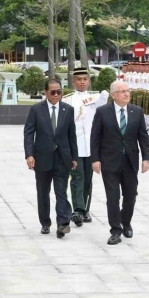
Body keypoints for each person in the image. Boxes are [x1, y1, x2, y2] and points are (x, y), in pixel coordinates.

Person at [91, 80, 149, 245]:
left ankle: (126, 222)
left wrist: (146, 158)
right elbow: (95, 137)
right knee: (112, 197)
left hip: (130, 161)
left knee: (130, 196)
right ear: (113, 95)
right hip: (109, 161)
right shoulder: (103, 112)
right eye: (122, 91)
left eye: (128, 91)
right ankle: (115, 230)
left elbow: (143, 137)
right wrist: (95, 159)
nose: (126, 94)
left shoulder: (136, 111)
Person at [24, 78, 78, 238]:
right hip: (42, 157)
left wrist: (74, 156)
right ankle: (45, 223)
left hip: (62, 157)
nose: (56, 95)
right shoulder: (36, 109)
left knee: (61, 191)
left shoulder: (68, 110)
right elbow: (28, 133)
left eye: (59, 92)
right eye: (53, 92)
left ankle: (63, 223)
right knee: (43, 192)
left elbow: (71, 135)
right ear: (45, 92)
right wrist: (29, 154)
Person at [64, 67, 108, 226]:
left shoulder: (96, 97)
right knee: (77, 177)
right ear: (73, 81)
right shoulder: (67, 100)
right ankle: (78, 210)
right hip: (75, 145)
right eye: (79, 79)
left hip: (91, 146)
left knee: (88, 179)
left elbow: (103, 108)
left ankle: (85, 209)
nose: (82, 82)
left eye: (85, 79)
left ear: (88, 80)